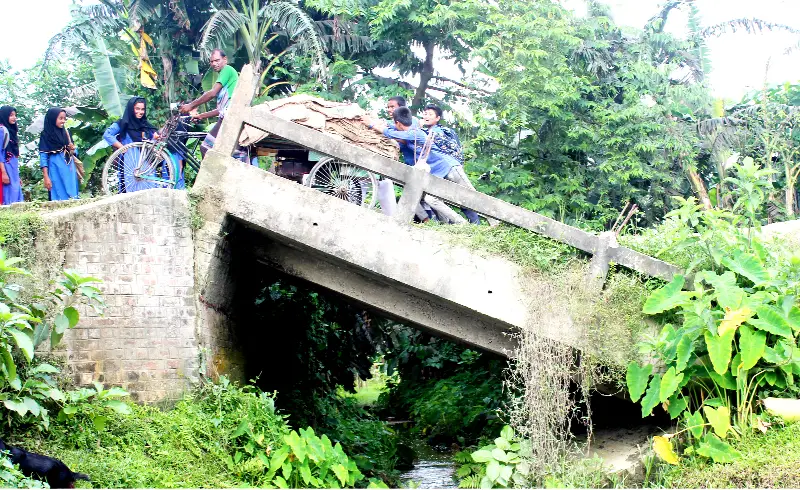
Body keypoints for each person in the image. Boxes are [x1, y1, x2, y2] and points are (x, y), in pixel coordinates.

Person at [363, 107, 466, 224]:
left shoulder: (415, 133)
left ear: (398, 123)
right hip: (437, 172)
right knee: (430, 198)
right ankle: (451, 224)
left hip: (449, 168)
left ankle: (466, 223)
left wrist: (371, 124)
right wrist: (381, 123)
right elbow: (393, 129)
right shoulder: (410, 131)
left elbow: (390, 133)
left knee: (470, 198)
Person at [422, 104, 498, 226]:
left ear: (437, 118)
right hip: (442, 172)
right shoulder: (429, 131)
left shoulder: (438, 131)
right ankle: (473, 225)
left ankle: (494, 220)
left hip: (452, 168)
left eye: (430, 114)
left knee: (471, 195)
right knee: (462, 197)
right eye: (425, 113)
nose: (426, 116)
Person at [179, 49, 248, 161]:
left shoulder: (227, 70)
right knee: (230, 154)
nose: (214, 64)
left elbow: (212, 93)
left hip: (229, 119)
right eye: (212, 61)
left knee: (206, 148)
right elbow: (220, 110)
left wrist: (191, 105)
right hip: (227, 118)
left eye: (217, 60)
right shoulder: (225, 76)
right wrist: (201, 116)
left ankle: (211, 177)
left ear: (225, 59)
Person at [104, 97, 185, 191]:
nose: (140, 112)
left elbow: (152, 138)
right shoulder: (122, 123)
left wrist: (155, 138)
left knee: (149, 186)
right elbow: (107, 135)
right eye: (137, 109)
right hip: (130, 158)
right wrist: (121, 147)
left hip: (145, 159)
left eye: (142, 109)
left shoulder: (145, 124)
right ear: (131, 109)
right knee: (132, 186)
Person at [39, 108, 78, 201]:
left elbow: (74, 153)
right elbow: (43, 156)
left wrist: (72, 149)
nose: (63, 121)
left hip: (69, 166)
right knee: (58, 193)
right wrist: (46, 176)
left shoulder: (66, 133)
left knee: (72, 193)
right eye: (60, 118)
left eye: (64, 118)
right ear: (53, 118)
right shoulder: (45, 135)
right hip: (55, 167)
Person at [0, 106, 23, 204]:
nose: (14, 118)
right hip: (6, 167)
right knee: (9, 192)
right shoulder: (2, 130)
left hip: (12, 167)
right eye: (11, 115)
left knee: (16, 190)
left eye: (15, 115)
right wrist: (3, 173)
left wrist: (17, 176)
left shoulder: (11, 131)